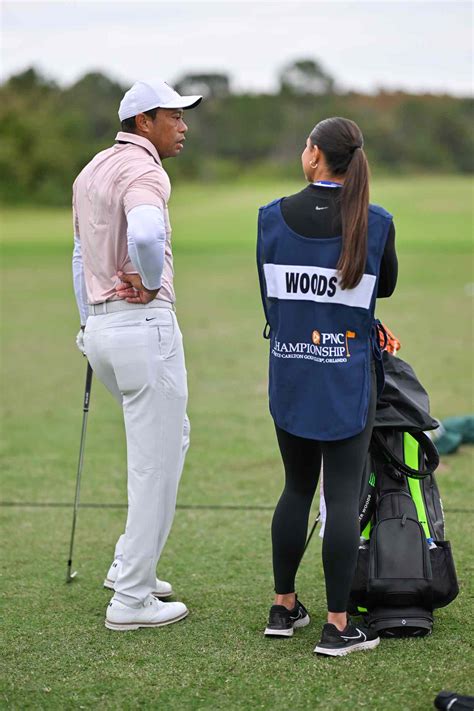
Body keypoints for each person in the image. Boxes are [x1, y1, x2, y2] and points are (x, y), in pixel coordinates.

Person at [257, 117, 398, 656]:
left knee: (296, 488)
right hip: (346, 376)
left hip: (290, 371)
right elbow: (384, 286)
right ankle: (338, 628)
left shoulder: (271, 218)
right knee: (341, 498)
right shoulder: (376, 220)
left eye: (305, 145)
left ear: (316, 156)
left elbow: (271, 298)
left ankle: (283, 606)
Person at [72, 79, 202, 631]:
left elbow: (81, 256)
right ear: (144, 120)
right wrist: (150, 282)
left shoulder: (92, 168)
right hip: (142, 328)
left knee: (169, 444)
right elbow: (147, 234)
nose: (184, 126)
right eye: (175, 116)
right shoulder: (146, 170)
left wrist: (87, 321)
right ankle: (131, 599)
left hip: (100, 331)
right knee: (155, 464)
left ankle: (131, 561)